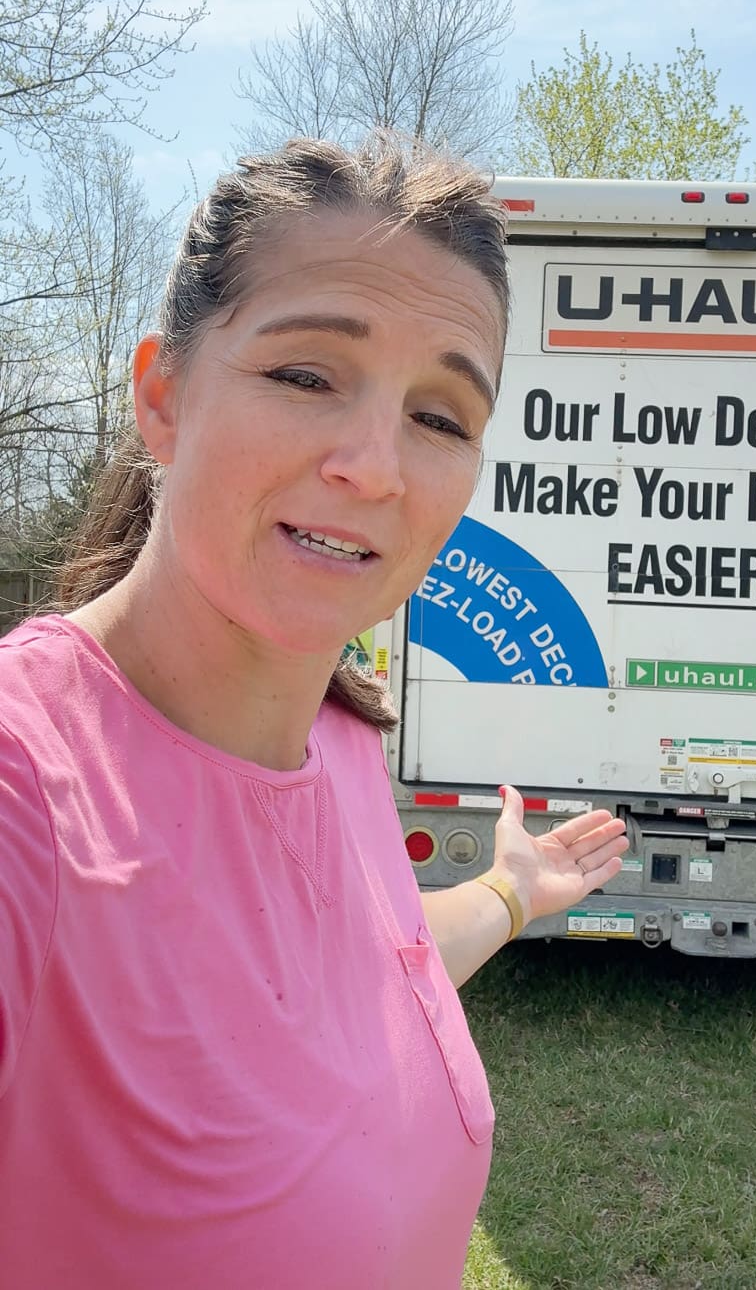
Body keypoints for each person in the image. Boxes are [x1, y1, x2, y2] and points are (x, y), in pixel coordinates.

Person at [0, 136, 628, 1290]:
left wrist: (509, 893)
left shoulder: (338, 747)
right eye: (306, 376)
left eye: (441, 416)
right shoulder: (25, 785)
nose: (374, 465)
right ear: (163, 397)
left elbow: (353, 973)